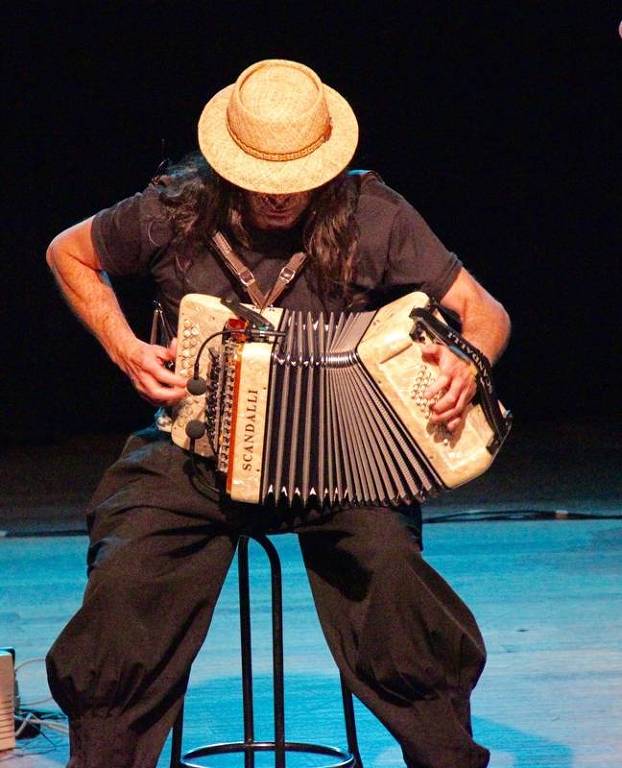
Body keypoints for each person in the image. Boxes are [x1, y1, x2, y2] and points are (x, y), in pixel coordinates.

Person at [45, 59, 510, 768]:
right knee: (127, 575)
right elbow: (68, 253)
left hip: (341, 462)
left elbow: (485, 312)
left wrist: (469, 360)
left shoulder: (373, 215)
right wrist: (124, 348)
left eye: (295, 177)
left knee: (390, 568)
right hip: (192, 453)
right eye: (263, 174)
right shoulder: (174, 209)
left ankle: (446, 756)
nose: (279, 196)